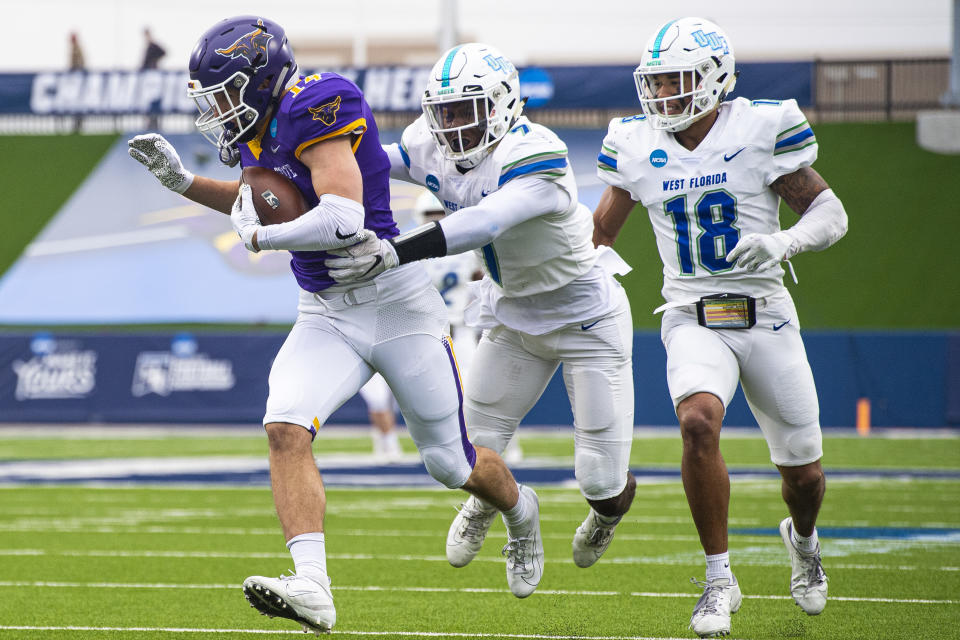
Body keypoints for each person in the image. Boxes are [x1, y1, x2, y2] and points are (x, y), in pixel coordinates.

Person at [126, 15, 543, 634]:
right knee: (285, 426)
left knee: (450, 464)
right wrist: (182, 183)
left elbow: (344, 219)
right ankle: (314, 586)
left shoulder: (318, 101)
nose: (216, 110)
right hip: (326, 310)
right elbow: (257, 202)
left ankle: (522, 512)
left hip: (394, 301)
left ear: (259, 79)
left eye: (223, 94)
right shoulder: (258, 124)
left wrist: (263, 239)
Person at [326, 42, 637, 571]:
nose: (451, 124)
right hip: (512, 316)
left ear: (504, 104)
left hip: (586, 315)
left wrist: (393, 251)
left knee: (600, 479)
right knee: (468, 448)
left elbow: (484, 222)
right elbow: (369, 164)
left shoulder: (535, 153)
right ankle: (495, 507)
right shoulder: (429, 144)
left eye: (464, 110)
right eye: (442, 111)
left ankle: (606, 516)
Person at [592, 17, 846, 638]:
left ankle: (804, 541)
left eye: (677, 81)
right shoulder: (634, 141)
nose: (663, 96)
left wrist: (783, 241)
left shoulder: (759, 126)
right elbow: (599, 233)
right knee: (697, 421)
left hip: (766, 311)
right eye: (655, 83)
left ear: (715, 78)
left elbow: (831, 212)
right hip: (690, 314)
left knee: (804, 475)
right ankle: (717, 577)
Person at [409, 190, 523, 464]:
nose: (435, 221)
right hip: (430, 331)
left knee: (477, 389)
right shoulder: (424, 251)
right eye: (430, 216)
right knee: (434, 394)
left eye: (439, 215)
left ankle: (506, 444)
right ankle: (450, 448)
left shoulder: (455, 249)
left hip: (459, 329)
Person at [358, 372, 403, 461]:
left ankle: (384, 438)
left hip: (391, 363)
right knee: (378, 403)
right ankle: (389, 442)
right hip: (368, 365)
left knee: (391, 406)